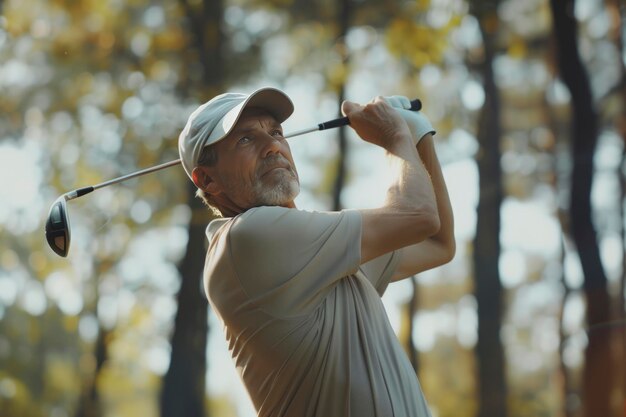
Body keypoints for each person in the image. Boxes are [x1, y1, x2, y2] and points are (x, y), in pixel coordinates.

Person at [178, 87, 455, 417]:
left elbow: (437, 243)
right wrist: (396, 137)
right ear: (207, 180)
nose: (273, 147)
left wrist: (417, 133)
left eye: (276, 132)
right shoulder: (248, 238)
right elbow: (419, 216)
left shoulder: (320, 251)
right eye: (245, 140)